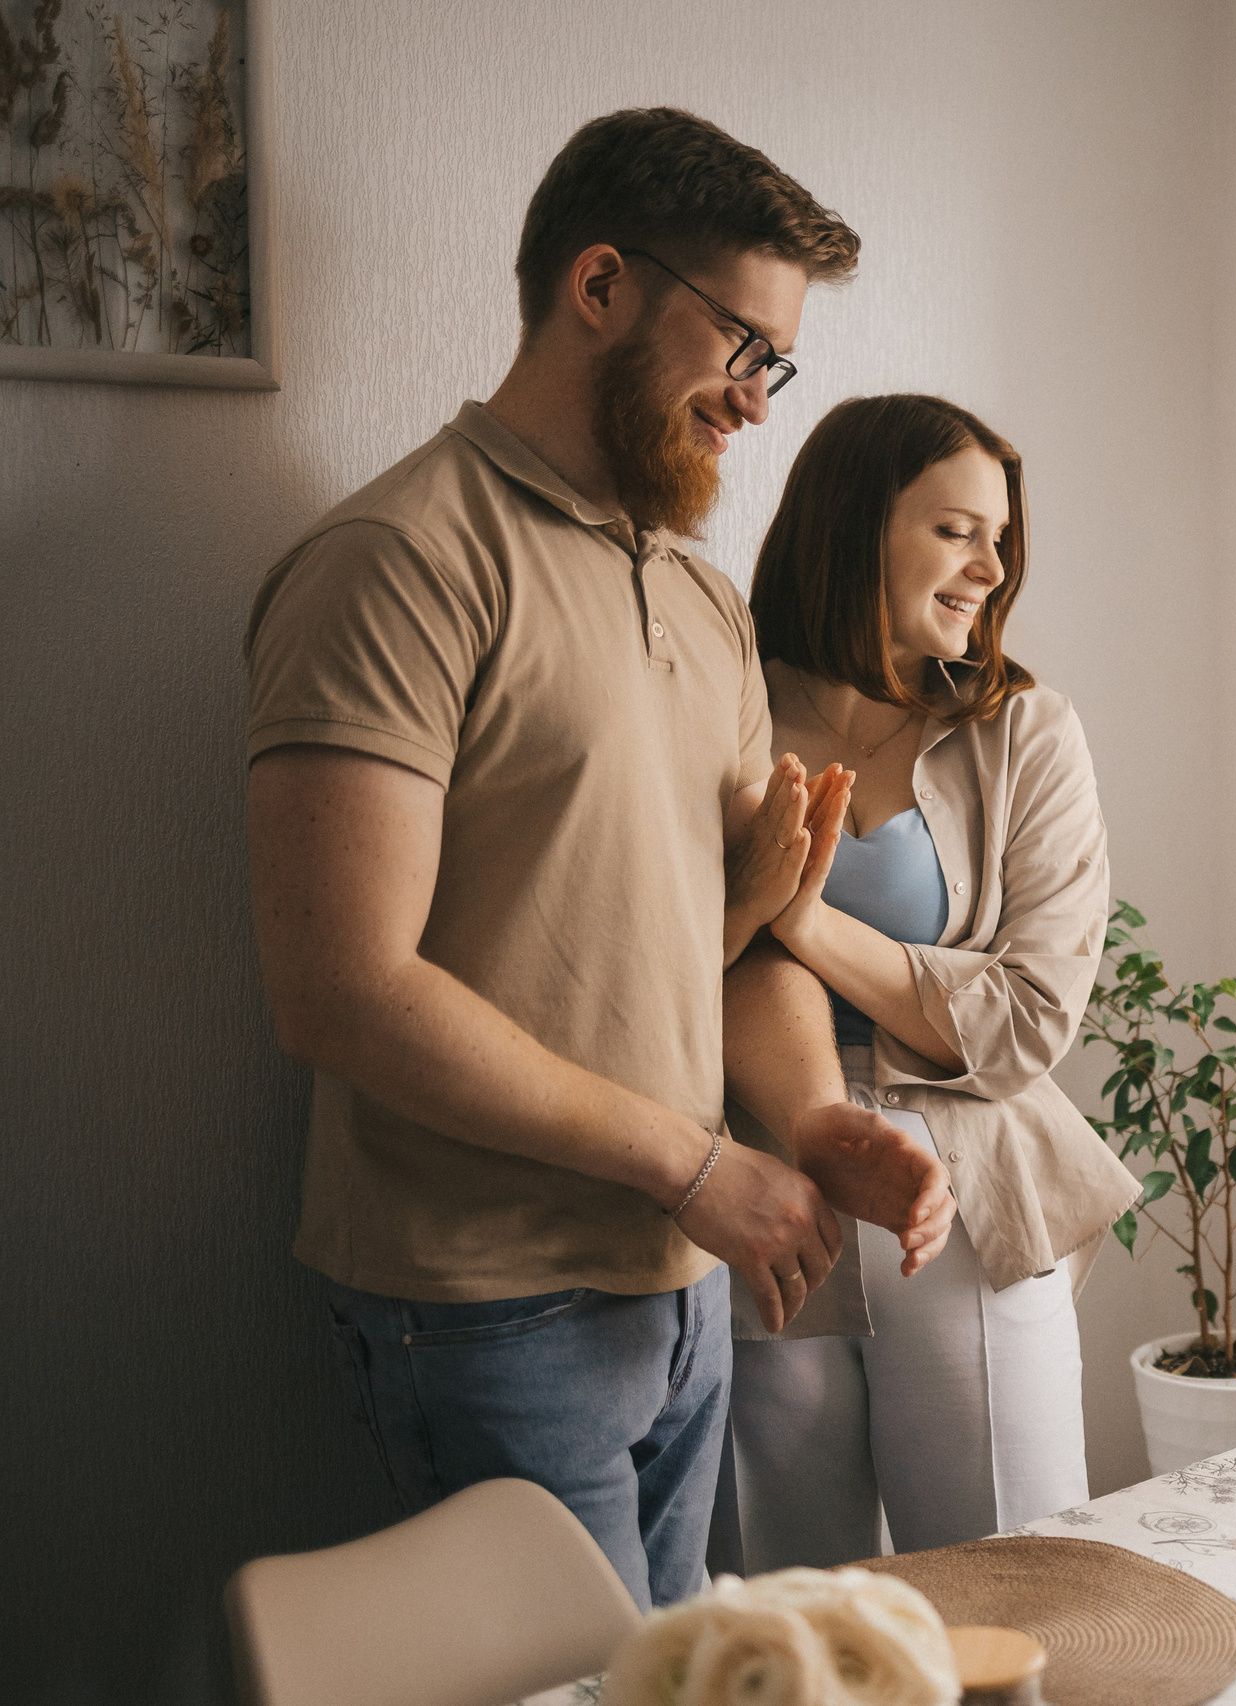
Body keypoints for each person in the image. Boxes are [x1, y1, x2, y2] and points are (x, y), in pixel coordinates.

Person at [243, 108, 953, 1611]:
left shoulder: (701, 601)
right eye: (742, 347)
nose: (758, 402)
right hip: (483, 1302)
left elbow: (736, 934)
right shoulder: (401, 563)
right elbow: (343, 991)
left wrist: (814, 1122)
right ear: (600, 285)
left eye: (781, 364)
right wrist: (698, 1162)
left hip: (684, 1284)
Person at [710, 394, 1141, 1570]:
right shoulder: (723, 707)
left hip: (964, 1196)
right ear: (856, 528)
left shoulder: (1026, 733)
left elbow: (1029, 1020)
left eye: (1001, 539)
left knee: (1017, 1583)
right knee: (791, 1606)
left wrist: (801, 919)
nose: (993, 568)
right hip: (758, 1185)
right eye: (958, 531)